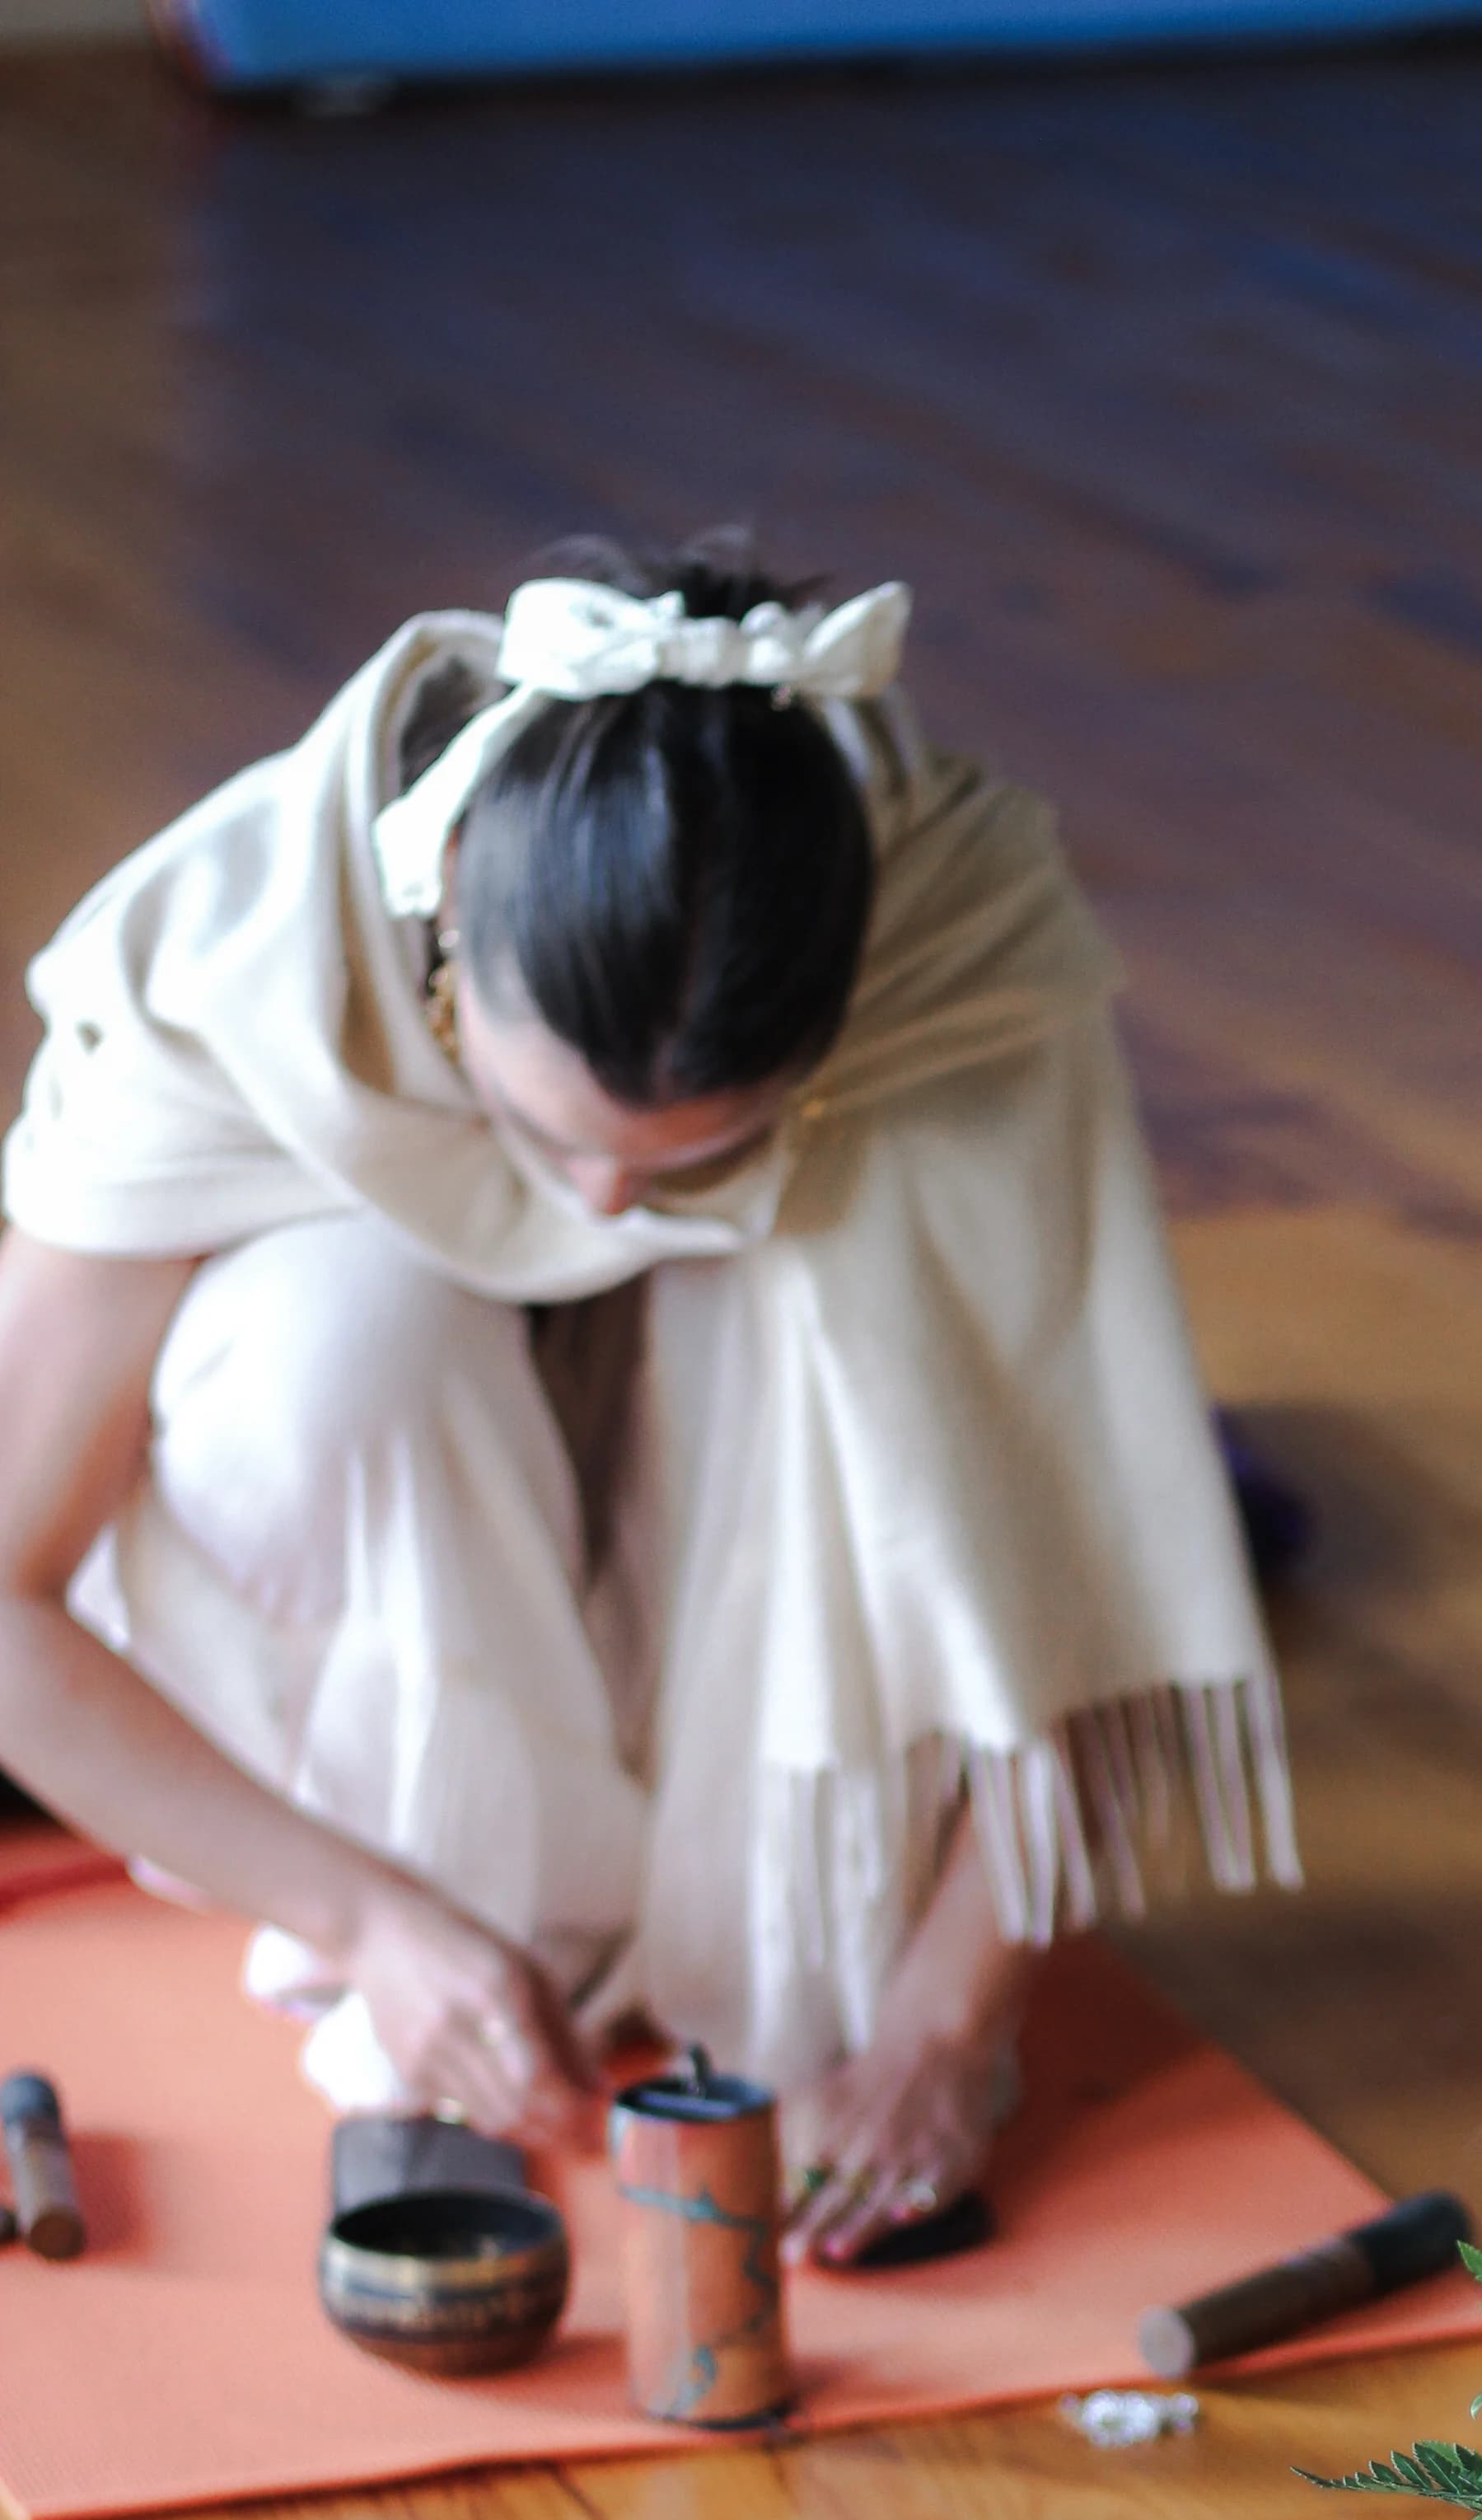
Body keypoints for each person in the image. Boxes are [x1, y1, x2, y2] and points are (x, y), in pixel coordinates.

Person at [0, 539, 1293, 2259]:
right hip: (375, 1655)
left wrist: (940, 2021)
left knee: (836, 1249)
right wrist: (368, 1918)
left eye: (700, 1152)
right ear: (442, 916)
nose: (604, 1204)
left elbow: (1084, 1528)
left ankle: (743, 1933)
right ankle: (465, 1935)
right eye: (545, 1134)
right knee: (342, 1330)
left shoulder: (955, 939)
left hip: (727, 1671)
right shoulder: (235, 953)